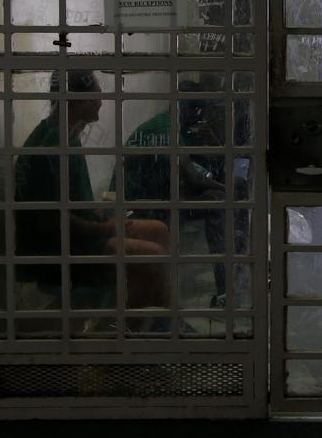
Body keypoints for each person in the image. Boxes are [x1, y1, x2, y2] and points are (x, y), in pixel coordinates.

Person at [14, 70, 169, 310]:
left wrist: (97, 213)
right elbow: (51, 222)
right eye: (97, 95)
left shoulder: (68, 135)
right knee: (153, 257)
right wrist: (104, 228)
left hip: (78, 238)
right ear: (79, 100)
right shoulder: (50, 146)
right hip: (61, 253)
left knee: (158, 230)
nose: (101, 101)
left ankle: (161, 318)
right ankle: (129, 333)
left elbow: (67, 201)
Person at [120, 80, 247, 306]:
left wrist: (211, 143)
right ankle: (226, 286)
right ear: (189, 108)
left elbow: (206, 171)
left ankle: (239, 264)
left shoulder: (172, 127)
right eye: (200, 109)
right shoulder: (167, 129)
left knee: (232, 189)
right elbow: (193, 177)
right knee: (217, 203)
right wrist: (225, 190)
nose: (203, 116)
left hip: (160, 195)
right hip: (146, 203)